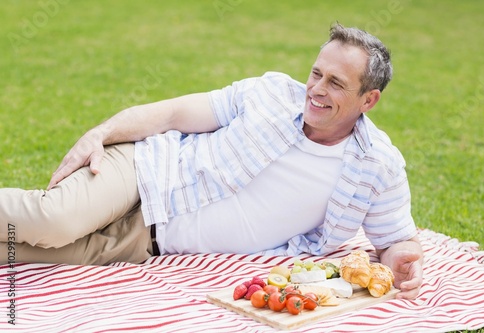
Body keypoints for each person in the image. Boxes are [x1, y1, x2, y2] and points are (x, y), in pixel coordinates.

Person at [0, 23, 423, 299]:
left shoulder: (378, 165)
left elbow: (395, 241)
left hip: (153, 242)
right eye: (316, 74)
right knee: (52, 221)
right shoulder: (270, 94)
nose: (316, 89)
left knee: (20, 251)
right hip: (142, 174)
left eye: (335, 83)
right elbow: (172, 113)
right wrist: (101, 134)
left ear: (369, 100)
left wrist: (402, 261)